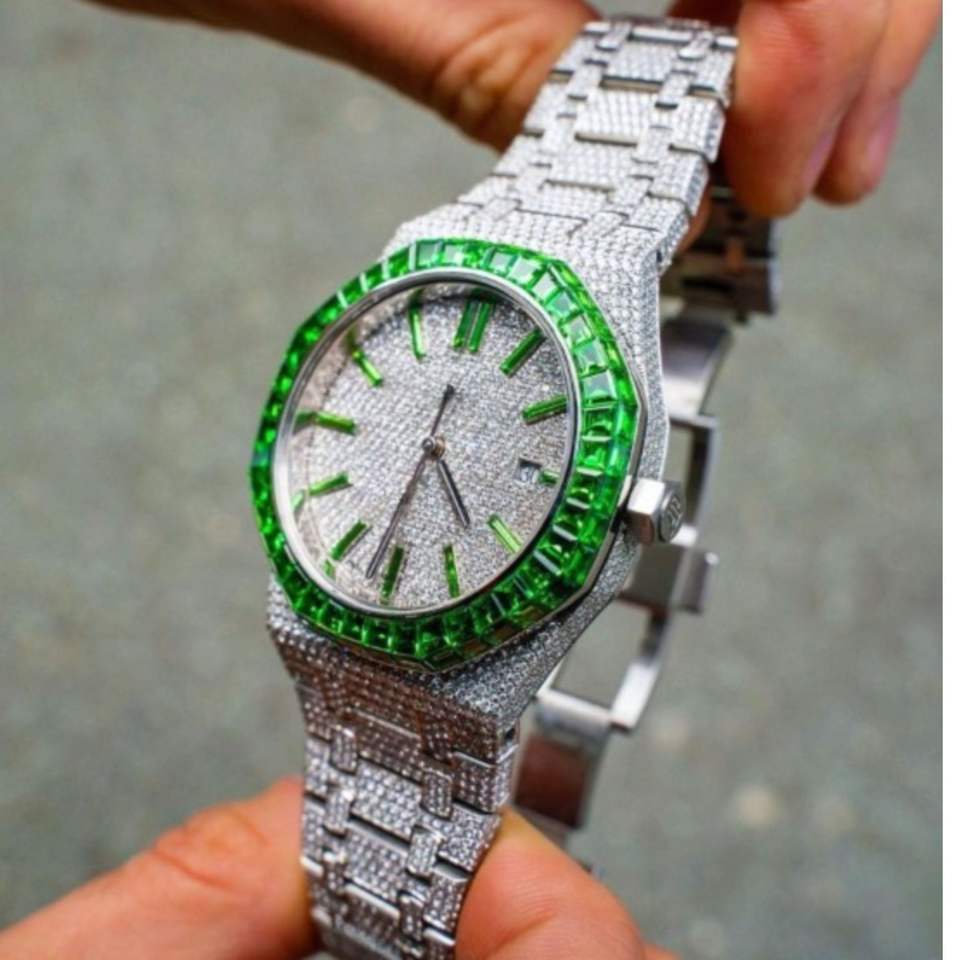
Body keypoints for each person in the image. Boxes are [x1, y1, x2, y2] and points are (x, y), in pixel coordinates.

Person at [0, 2, 939, 957]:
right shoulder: (422, 276)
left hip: (449, 647)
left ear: (633, 506)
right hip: (351, 601)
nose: (431, 446)